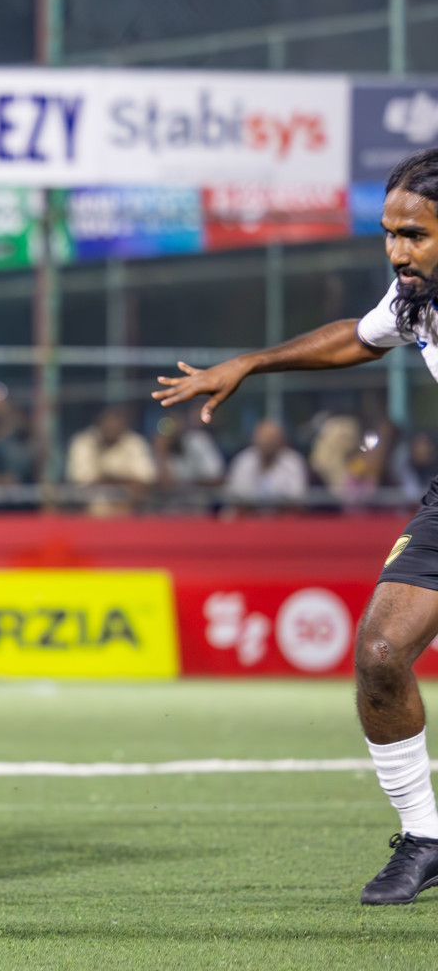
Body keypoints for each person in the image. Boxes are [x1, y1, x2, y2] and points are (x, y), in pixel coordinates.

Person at [154, 146, 438, 905]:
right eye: (390, 231)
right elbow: (359, 336)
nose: (396, 249)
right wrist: (250, 362)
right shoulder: (415, 294)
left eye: (414, 234)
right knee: (380, 652)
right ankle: (424, 838)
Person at [65, 406, 157, 514]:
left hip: (131, 510)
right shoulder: (83, 443)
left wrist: (106, 480)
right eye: (107, 424)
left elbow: (146, 480)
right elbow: (81, 482)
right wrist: (124, 482)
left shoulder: (135, 443)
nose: (111, 428)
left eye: (115, 425)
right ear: (98, 424)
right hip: (90, 513)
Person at [223, 419, 309, 508]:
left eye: (271, 438)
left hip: (283, 515)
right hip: (249, 515)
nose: (267, 442)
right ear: (254, 439)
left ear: (281, 440)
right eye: (263, 438)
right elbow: (235, 494)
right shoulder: (243, 460)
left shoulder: (293, 461)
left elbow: (297, 497)